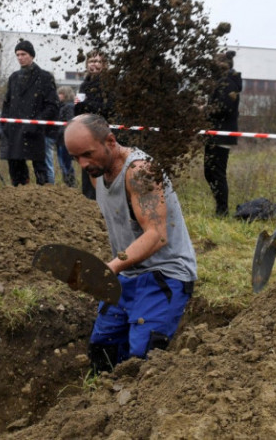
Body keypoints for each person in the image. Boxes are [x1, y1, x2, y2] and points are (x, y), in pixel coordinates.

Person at [64, 114, 197, 374]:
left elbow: (156, 235)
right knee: (103, 350)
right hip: (128, 275)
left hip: (165, 275)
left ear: (110, 141)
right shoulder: (97, 172)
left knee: (141, 360)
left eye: (88, 154)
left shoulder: (140, 171)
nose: (82, 163)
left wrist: (110, 267)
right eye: (75, 157)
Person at [0, 40, 59, 186]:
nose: (20, 57)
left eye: (23, 54)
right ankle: (19, 195)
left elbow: (52, 105)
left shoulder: (45, 77)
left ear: (31, 55)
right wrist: (4, 124)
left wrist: (37, 123)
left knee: (41, 169)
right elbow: (7, 103)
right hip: (14, 129)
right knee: (15, 168)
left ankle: (46, 196)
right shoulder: (13, 77)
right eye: (17, 55)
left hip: (37, 130)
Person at [74, 49, 116, 199]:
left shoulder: (111, 83)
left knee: (106, 171)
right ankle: (90, 200)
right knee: (88, 169)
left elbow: (109, 108)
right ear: (86, 64)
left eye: (99, 61)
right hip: (87, 134)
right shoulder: (84, 85)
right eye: (92, 61)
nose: (95, 65)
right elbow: (77, 109)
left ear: (104, 65)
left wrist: (87, 104)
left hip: (105, 135)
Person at [204, 50, 242, 217]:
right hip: (215, 133)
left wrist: (205, 110)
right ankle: (220, 208)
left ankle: (222, 211)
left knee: (216, 172)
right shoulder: (222, 81)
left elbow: (224, 108)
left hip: (222, 133)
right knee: (209, 171)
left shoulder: (228, 83)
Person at [55, 86, 77, 187]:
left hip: (64, 139)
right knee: (62, 163)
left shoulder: (69, 107)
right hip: (60, 139)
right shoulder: (61, 106)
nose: (58, 95)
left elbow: (69, 121)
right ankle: (68, 182)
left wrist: (60, 131)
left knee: (66, 163)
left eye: (61, 93)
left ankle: (70, 183)